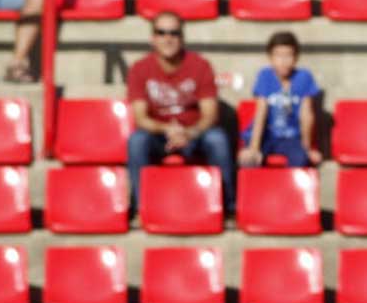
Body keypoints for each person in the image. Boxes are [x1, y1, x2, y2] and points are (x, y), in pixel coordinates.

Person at [125, 12, 235, 210]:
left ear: (182, 38)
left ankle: (227, 207)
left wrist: (190, 132)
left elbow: (210, 114)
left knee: (217, 139)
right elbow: (141, 118)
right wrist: (167, 129)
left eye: (174, 33)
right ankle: (142, 207)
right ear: (153, 38)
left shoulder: (200, 66)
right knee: (137, 140)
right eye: (161, 33)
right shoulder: (140, 69)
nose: (168, 39)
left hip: (194, 133)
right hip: (159, 134)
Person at [238, 31, 322, 169]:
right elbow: (261, 111)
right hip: (267, 134)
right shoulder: (265, 75)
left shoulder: (304, 77)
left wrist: (307, 147)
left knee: (300, 157)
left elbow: (306, 114)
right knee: (249, 160)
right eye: (278, 55)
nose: (283, 61)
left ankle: (290, 190)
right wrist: (254, 147)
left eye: (288, 55)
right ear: (270, 57)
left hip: (291, 138)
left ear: (296, 58)